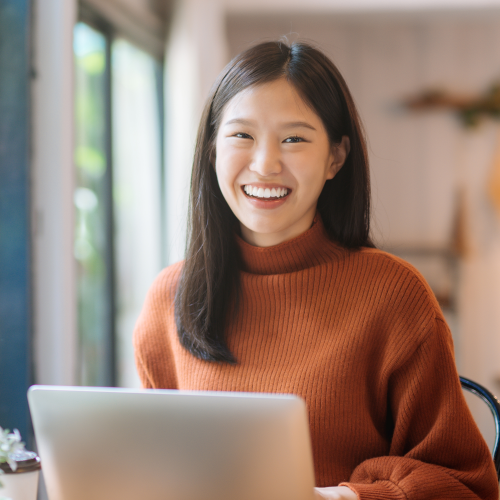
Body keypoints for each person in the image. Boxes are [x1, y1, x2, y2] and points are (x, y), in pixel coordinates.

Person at [133, 40, 499, 500]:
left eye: (294, 139)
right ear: (211, 151)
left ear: (336, 158)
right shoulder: (169, 298)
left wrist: (342, 498)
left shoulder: (393, 294)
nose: (265, 164)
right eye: (241, 135)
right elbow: (151, 466)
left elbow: (467, 486)